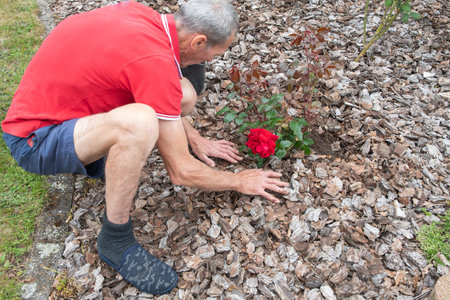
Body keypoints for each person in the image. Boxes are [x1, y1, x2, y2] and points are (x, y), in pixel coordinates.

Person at [1, 0, 289, 295]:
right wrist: (240, 181)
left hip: (69, 114)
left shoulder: (140, 15)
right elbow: (181, 172)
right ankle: (115, 239)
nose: (211, 60)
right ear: (199, 40)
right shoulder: (153, 61)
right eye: (214, 54)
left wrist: (195, 139)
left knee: (183, 93)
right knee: (139, 123)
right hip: (34, 140)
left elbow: (158, 89)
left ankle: (100, 158)